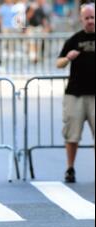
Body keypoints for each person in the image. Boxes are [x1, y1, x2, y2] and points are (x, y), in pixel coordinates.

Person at [56, 3, 95, 183]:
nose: (90, 21)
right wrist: (67, 58)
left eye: (93, 17)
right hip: (75, 94)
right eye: (87, 18)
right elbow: (58, 63)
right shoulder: (74, 39)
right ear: (81, 20)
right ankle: (70, 168)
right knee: (72, 134)